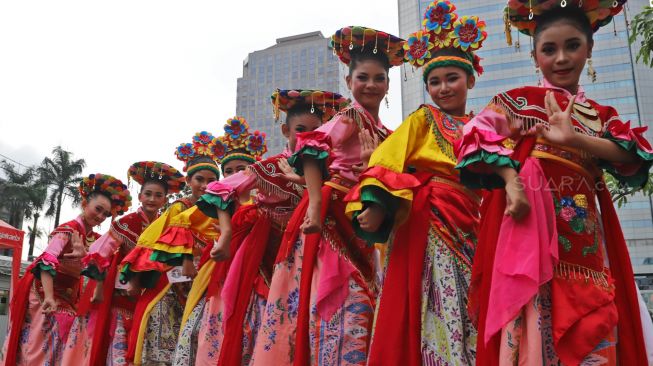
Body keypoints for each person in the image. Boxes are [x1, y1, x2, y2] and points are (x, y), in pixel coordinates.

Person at [456, 1, 653, 364]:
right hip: (530, 251)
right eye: (549, 49)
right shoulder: (519, 103)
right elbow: (473, 137)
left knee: (593, 335)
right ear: (535, 56)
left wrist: (574, 139)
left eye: (572, 45)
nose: (561, 58)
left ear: (589, 49)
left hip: (587, 254)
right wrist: (511, 178)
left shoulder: (600, 116)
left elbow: (636, 156)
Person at [251, 26, 405, 365]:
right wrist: (317, 206)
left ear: (388, 86)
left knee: (366, 312)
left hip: (368, 226)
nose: (370, 85)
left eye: (379, 78)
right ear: (349, 82)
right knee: (341, 308)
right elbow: (310, 148)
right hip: (335, 223)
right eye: (362, 77)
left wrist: (370, 174)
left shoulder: (389, 134)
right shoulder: (348, 117)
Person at [345, 2, 486, 364]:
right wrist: (374, 206)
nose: (442, 89)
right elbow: (388, 160)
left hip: (476, 225)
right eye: (434, 82)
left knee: (473, 303)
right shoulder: (424, 119)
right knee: (435, 300)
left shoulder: (485, 126)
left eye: (452, 78)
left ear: (470, 79)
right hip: (433, 222)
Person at [186, 89, 347, 366]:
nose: (307, 136)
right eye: (300, 129)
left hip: (318, 255)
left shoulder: (332, 168)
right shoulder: (270, 168)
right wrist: (225, 235)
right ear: (285, 130)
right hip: (268, 262)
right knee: (267, 329)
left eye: (316, 130)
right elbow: (220, 189)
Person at [61, 162, 185, 365]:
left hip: (152, 303)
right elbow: (100, 254)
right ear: (140, 196)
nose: (152, 199)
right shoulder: (127, 224)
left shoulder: (167, 226)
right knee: (117, 353)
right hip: (120, 301)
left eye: (158, 195)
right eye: (148, 194)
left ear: (165, 199)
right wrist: (99, 289)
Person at [1, 173, 131, 366]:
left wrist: (85, 257)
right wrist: (49, 297)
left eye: (105, 214)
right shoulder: (68, 229)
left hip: (68, 298)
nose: (100, 216)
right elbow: (45, 261)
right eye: (98, 209)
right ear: (85, 203)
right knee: (37, 349)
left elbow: (99, 267)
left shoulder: (94, 238)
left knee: (62, 348)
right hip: (44, 292)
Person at [172, 117, 269, 365]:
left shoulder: (267, 199)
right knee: (206, 333)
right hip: (221, 272)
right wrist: (190, 254)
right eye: (228, 171)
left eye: (241, 169)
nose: (235, 175)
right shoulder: (220, 202)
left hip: (260, 272)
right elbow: (180, 224)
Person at [118, 132, 221, 365]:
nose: (205, 186)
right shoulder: (178, 209)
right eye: (199, 180)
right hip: (171, 290)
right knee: (161, 350)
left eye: (210, 181)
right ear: (189, 182)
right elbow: (151, 243)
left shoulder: (220, 211)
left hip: (203, 287)